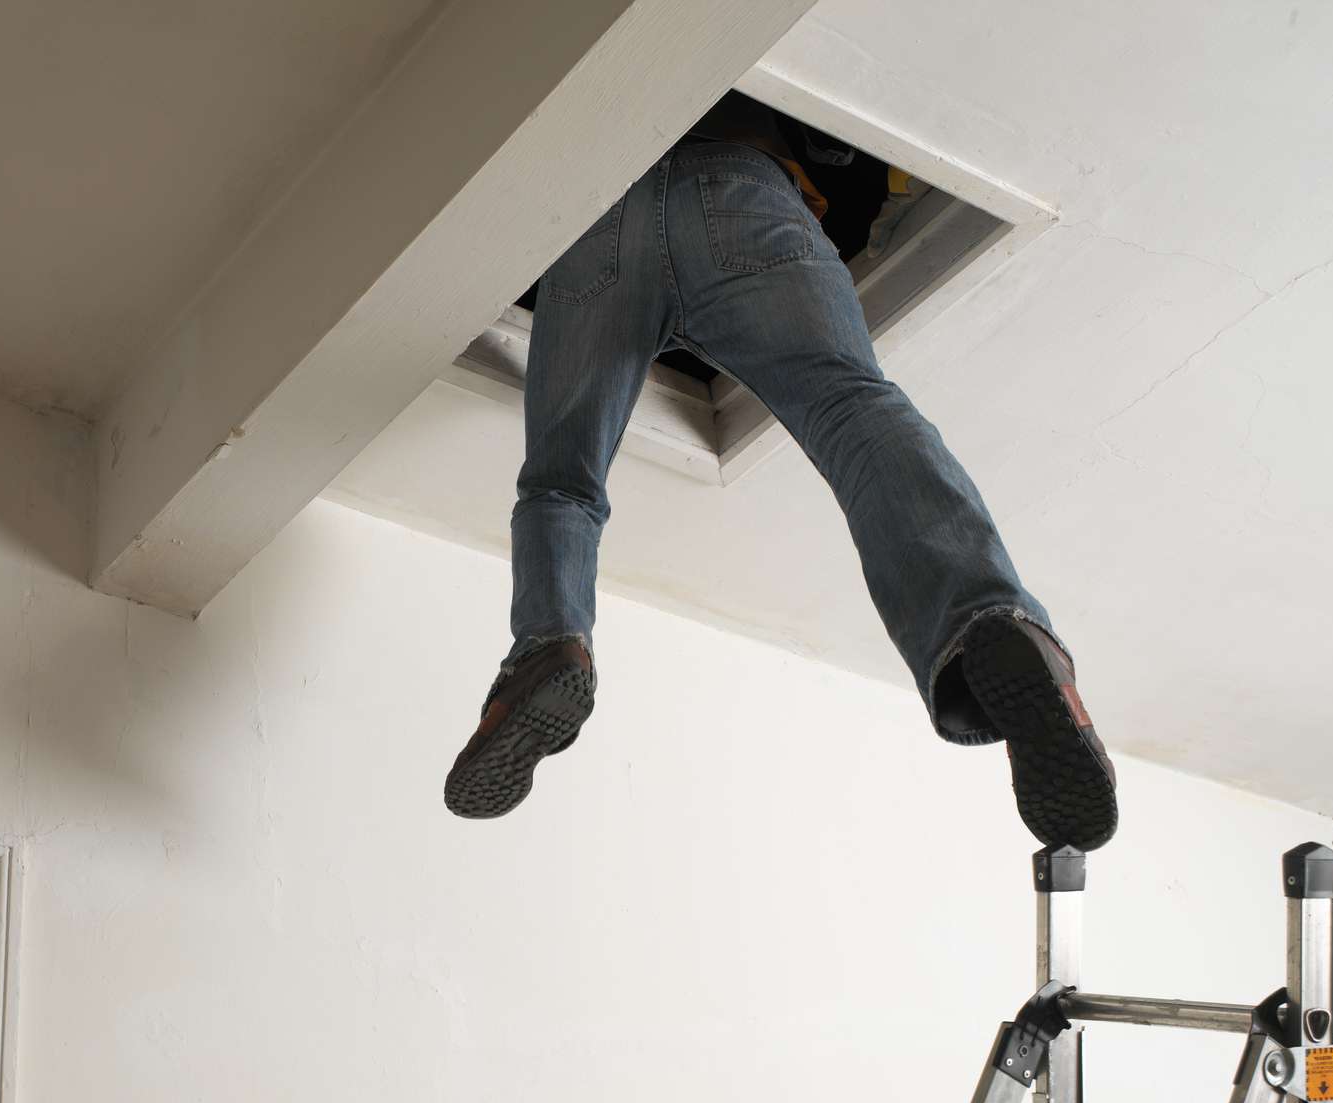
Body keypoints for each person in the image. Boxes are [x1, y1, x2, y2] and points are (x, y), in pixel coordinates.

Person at [443, 94, 1118, 852]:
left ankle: (549, 642)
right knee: (852, 413)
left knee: (562, 476)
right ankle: (989, 621)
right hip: (744, 188)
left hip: (599, 209)